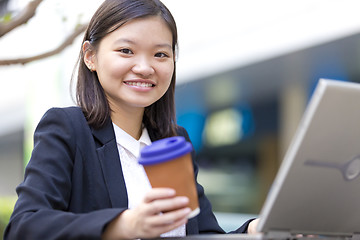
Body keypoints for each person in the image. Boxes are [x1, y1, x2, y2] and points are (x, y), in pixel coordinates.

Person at [4, 0, 259, 239]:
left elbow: (201, 234)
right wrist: (125, 224)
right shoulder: (68, 128)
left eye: (160, 54)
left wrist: (253, 231)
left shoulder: (173, 140)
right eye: (126, 51)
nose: (145, 67)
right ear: (90, 56)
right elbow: (25, 227)